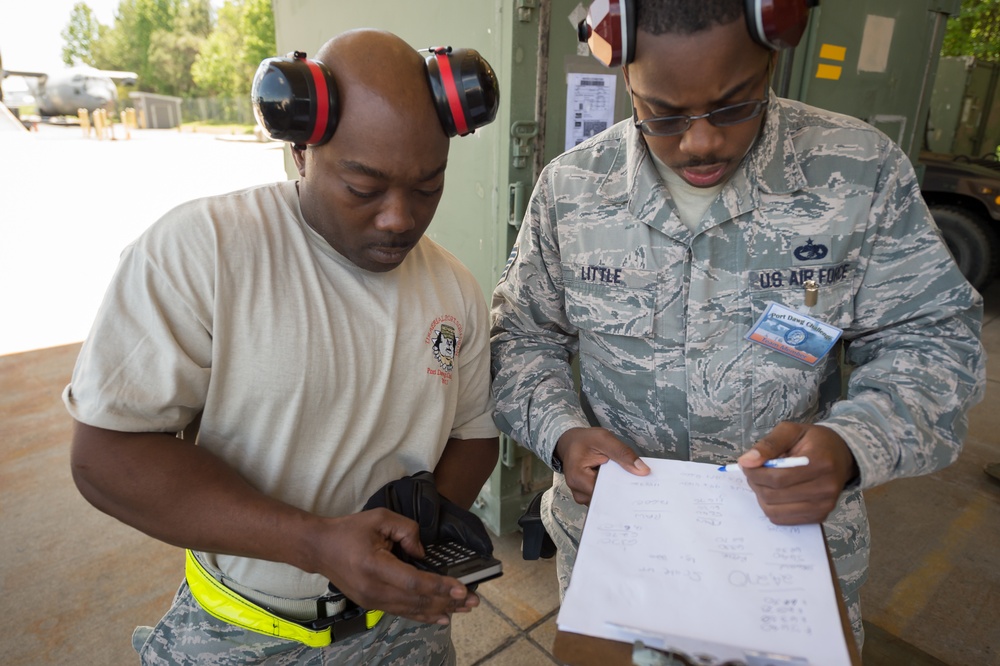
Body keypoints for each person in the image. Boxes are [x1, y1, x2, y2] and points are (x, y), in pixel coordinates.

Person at [490, 0, 986, 649]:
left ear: (773, 51)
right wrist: (562, 434)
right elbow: (521, 338)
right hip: (621, 556)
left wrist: (851, 443)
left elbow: (936, 344)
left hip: (786, 566)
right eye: (661, 114)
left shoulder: (859, 175)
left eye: (733, 104)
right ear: (625, 77)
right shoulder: (571, 191)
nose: (701, 142)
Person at [65, 29, 499, 665]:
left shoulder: (454, 289)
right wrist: (316, 544)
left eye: (428, 186)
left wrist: (418, 538)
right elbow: (106, 456)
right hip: (241, 637)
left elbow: (474, 434)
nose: (399, 218)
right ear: (303, 149)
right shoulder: (204, 252)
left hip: (405, 635)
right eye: (363, 187)